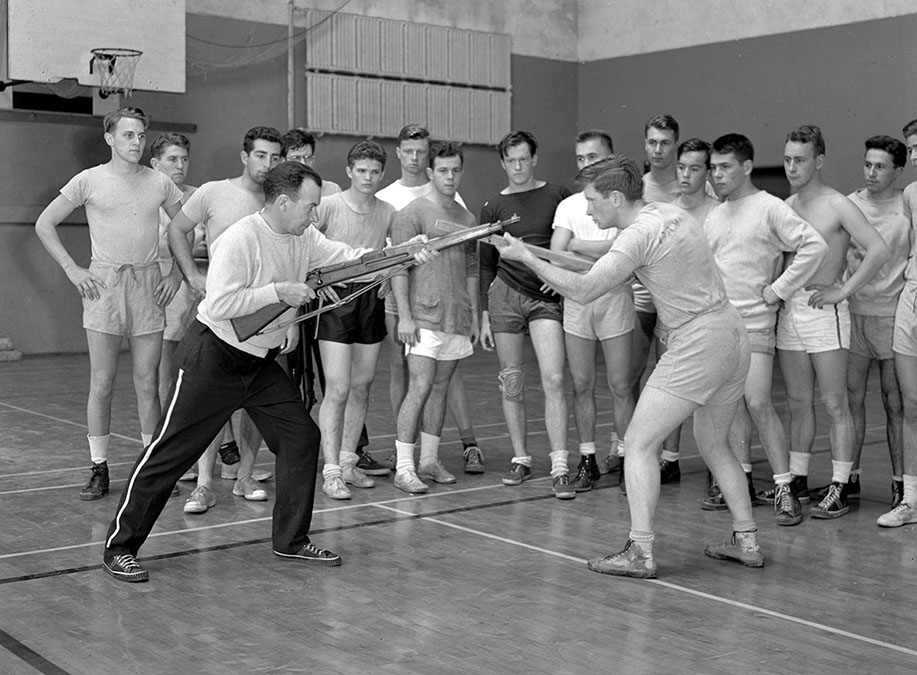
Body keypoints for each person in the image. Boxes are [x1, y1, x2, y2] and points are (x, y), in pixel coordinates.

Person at [101, 161, 391, 582]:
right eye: (310, 206)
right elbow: (219, 305)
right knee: (168, 454)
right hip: (214, 357)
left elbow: (350, 257)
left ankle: (290, 540)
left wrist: (401, 253)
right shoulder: (241, 238)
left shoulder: (304, 234)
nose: (314, 215)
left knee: (300, 435)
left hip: (258, 362)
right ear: (284, 202)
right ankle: (119, 547)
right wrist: (279, 291)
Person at [499, 155, 761, 578]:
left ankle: (640, 551)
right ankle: (746, 540)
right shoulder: (669, 213)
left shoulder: (637, 236)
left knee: (638, 444)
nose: (587, 210)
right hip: (731, 334)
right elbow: (608, 267)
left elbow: (585, 289)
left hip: (697, 342)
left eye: (592, 200)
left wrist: (526, 258)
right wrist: (538, 253)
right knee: (715, 444)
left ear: (617, 197)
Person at [35, 107, 183, 501]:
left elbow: (186, 229)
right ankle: (98, 468)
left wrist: (176, 275)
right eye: (128, 135)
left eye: (140, 135)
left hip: (148, 285)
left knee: (147, 383)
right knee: (101, 383)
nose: (136, 142)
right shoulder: (89, 180)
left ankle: (152, 470)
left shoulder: (160, 183)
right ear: (110, 138)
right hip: (103, 285)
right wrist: (72, 269)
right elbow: (44, 224)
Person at [704, 133, 828, 526]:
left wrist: (778, 290)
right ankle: (738, 485)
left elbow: (814, 246)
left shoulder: (770, 208)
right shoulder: (713, 216)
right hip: (720, 328)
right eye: (713, 167)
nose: (717, 174)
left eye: (724, 167)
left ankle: (785, 489)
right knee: (732, 406)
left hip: (755, 326)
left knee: (758, 402)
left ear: (746, 167)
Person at [168, 126, 285, 513]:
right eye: (261, 155)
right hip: (223, 319)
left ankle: (246, 474)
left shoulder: (282, 200)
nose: (268, 164)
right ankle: (203, 483)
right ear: (244, 156)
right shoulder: (213, 192)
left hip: (269, 317)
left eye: (275, 157)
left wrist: (292, 322)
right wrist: (192, 275)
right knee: (213, 403)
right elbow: (177, 229)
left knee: (254, 402)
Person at [778, 126, 888, 520]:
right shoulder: (786, 204)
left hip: (826, 313)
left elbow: (877, 248)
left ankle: (840, 486)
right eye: (788, 159)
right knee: (796, 402)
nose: (792, 167)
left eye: (800, 159)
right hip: (791, 313)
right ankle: (798, 481)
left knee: (835, 402)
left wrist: (843, 292)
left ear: (819, 161)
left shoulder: (838, 204)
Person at [378, 124, 486, 474]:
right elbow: (397, 268)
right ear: (430, 173)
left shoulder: (468, 218)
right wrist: (406, 317)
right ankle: (405, 467)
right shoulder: (410, 213)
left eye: (455, 170)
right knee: (420, 386)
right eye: (442, 170)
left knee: (439, 388)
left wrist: (472, 312)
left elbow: (472, 268)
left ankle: (428, 461)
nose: (450, 176)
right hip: (423, 317)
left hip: (455, 317)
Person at [479, 130, 573, 498]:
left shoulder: (558, 195)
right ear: (503, 163)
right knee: (512, 381)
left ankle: (560, 464)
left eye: (523, 159)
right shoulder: (492, 206)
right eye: (510, 161)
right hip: (505, 298)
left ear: (534, 159)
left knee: (553, 379)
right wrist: (486, 313)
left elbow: (565, 245)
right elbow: (486, 264)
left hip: (544, 300)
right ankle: (521, 458)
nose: (517, 167)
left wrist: (561, 278)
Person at [550, 129, 634, 493]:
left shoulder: (621, 204)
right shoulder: (569, 205)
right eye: (581, 158)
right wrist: (599, 255)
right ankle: (587, 459)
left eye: (594, 158)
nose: (587, 164)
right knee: (581, 384)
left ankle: (630, 458)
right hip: (578, 303)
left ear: (611, 158)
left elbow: (621, 254)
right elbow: (557, 255)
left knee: (620, 385)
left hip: (615, 300)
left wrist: (581, 247)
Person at [314, 140, 395, 499]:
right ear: (349, 172)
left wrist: (389, 277)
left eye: (375, 172)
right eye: (361, 171)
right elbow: (303, 240)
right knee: (338, 387)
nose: (368, 178)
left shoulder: (388, 211)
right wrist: (317, 281)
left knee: (362, 385)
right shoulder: (329, 205)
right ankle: (330, 469)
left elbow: (392, 253)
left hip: (370, 299)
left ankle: (348, 461)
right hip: (336, 300)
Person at [844, 135, 908, 509]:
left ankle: (901, 484)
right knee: (850, 400)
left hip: (892, 316)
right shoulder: (850, 205)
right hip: (853, 316)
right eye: (867, 164)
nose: (871, 172)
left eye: (880, 166)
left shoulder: (907, 207)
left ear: (897, 171)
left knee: (894, 403)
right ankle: (847, 478)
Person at [881, 119, 917, 527]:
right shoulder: (910, 193)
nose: (915, 154)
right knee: (911, 404)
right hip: (911, 299)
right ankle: (910, 499)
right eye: (910, 148)